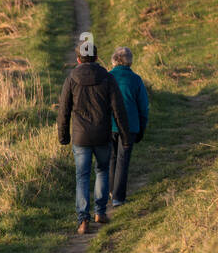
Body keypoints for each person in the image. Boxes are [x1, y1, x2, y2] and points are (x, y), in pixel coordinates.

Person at [58, 42, 130, 234]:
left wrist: (63, 136)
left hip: (81, 137)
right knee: (102, 171)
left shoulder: (72, 78)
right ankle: (100, 212)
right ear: (97, 58)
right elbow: (119, 109)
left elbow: (64, 110)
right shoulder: (107, 77)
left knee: (81, 177)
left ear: (78, 59)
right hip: (102, 134)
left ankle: (83, 220)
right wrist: (125, 136)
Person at [108, 46, 150, 207]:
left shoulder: (107, 77)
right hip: (130, 126)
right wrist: (142, 127)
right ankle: (118, 197)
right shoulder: (136, 79)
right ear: (129, 61)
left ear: (114, 60)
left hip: (109, 125)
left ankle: (111, 191)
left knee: (111, 158)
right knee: (123, 160)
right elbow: (143, 106)